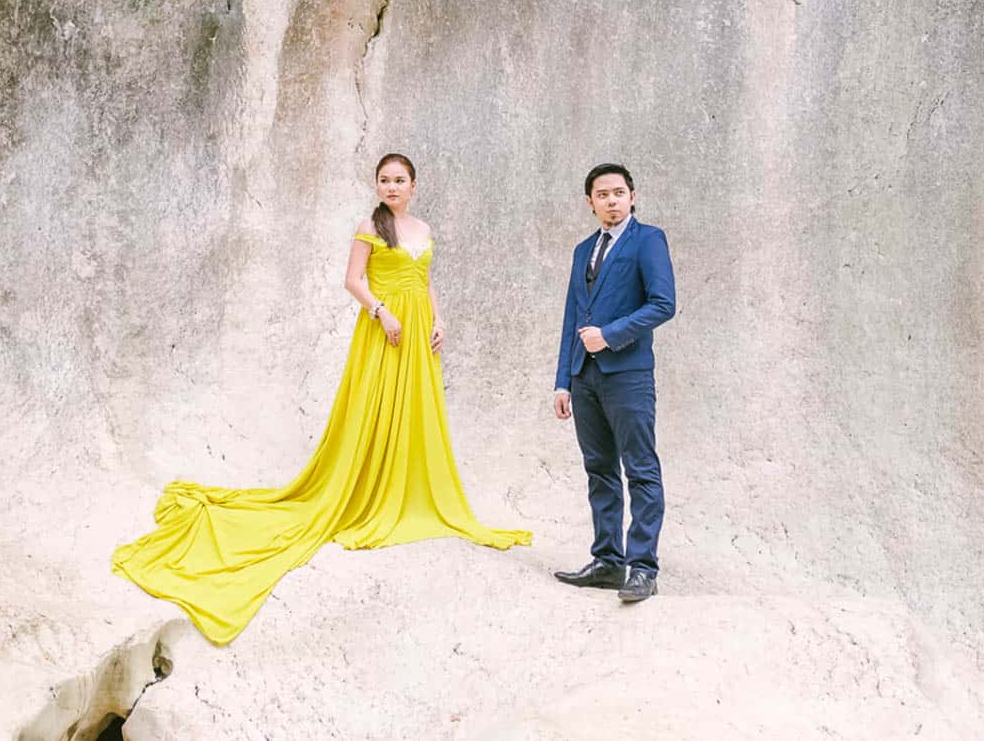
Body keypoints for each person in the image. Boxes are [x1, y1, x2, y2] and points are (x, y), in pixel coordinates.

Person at [112, 153, 530, 645]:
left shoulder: (423, 228)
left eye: (399, 180)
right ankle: (364, 488)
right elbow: (353, 280)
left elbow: (425, 280)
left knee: (414, 412)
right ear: (376, 185)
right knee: (372, 408)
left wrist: (439, 320)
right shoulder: (369, 226)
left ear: (414, 185)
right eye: (384, 180)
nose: (391, 187)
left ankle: (404, 487)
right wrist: (381, 312)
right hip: (385, 330)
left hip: (418, 330)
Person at [552, 163, 676, 603]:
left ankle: (642, 568)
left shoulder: (648, 240)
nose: (611, 201)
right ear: (590, 202)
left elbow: (663, 304)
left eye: (619, 193)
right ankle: (607, 561)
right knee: (599, 470)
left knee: (640, 469)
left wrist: (610, 335)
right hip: (584, 377)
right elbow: (573, 315)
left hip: (628, 376)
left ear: (632, 197)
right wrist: (563, 381)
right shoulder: (583, 249)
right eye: (602, 195)